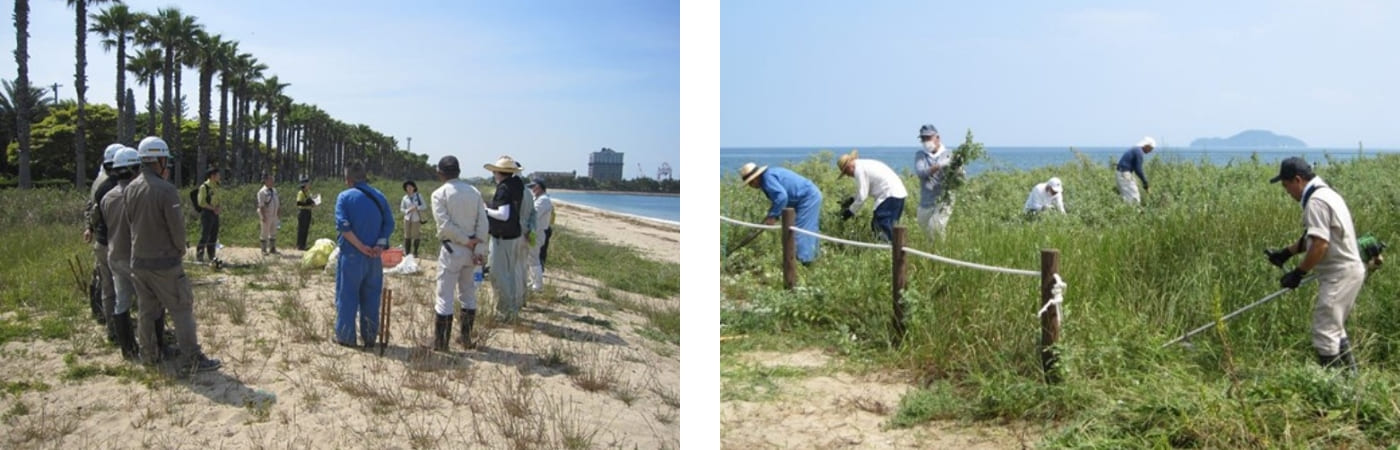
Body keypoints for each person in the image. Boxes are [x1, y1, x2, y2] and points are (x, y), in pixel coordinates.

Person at [125, 136, 221, 374]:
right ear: (158, 160)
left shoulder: (130, 188)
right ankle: (193, 358)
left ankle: (148, 355)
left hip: (138, 261)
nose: (166, 165)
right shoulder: (166, 190)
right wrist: (180, 249)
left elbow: (131, 222)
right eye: (165, 160)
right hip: (165, 262)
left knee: (147, 311)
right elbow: (176, 229)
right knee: (182, 308)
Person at [1264, 157, 1365, 373]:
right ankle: (1352, 381)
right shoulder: (1326, 193)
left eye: (1286, 185)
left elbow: (1320, 244)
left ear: (1298, 180)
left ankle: (1334, 391)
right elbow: (1312, 237)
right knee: (1335, 329)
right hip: (1346, 271)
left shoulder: (1316, 202)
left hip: (1340, 274)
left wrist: (1298, 273)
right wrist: (1285, 253)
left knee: (1324, 332)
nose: (1287, 192)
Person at [429, 156, 489, 351]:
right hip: (473, 251)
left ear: (440, 173)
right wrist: (477, 247)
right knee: (468, 294)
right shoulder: (474, 192)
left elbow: (445, 226)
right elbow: (483, 223)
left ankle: (441, 343)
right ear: (459, 171)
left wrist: (465, 240)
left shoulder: (439, 194)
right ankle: (465, 339)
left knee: (444, 296)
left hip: (452, 249)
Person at [333, 160, 395, 348]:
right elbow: (389, 223)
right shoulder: (379, 196)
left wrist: (360, 246)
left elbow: (343, 226)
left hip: (352, 255)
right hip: (374, 257)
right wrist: (378, 245)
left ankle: (346, 337)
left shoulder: (344, 197)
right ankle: (369, 337)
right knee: (372, 297)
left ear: (347, 179)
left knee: (347, 297)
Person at [737, 162, 823, 264]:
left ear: (755, 179)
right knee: (809, 229)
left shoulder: (767, 178)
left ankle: (804, 262)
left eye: (750, 183)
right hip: (806, 197)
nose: (751, 186)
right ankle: (811, 259)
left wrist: (773, 216)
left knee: (800, 231)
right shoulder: (768, 177)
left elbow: (782, 197)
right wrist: (772, 215)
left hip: (807, 198)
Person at [102, 147, 142, 360]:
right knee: (148, 302)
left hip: (114, 255)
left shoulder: (108, 197)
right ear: (135, 169)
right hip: (133, 257)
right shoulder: (136, 194)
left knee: (122, 301)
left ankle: (127, 349)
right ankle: (152, 345)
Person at [84, 143, 123, 333]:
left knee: (105, 283)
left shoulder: (99, 182)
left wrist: (90, 227)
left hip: (101, 240)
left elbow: (91, 209)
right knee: (116, 287)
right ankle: (118, 326)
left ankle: (109, 325)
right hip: (113, 242)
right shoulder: (114, 186)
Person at [484, 155, 527, 320]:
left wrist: (486, 210)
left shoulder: (504, 189)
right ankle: (513, 308)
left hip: (502, 238)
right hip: (513, 235)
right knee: (509, 273)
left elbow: (503, 214)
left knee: (498, 273)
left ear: (499, 172)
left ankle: (505, 311)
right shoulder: (517, 185)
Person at [836, 150, 908, 242]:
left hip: (889, 195)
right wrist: (852, 199)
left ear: (849, 166)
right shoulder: (863, 165)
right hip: (897, 194)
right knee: (890, 227)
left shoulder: (859, 170)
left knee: (880, 226)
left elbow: (862, 196)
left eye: (846, 172)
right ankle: (894, 252)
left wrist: (850, 212)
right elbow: (864, 190)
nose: (848, 175)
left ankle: (885, 250)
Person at [914, 124, 954, 238]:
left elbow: (958, 177)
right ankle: (929, 254)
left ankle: (940, 253)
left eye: (928, 138)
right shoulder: (920, 155)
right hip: (926, 200)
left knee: (935, 228)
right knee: (925, 231)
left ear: (937, 138)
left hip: (944, 200)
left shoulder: (949, 155)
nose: (926, 141)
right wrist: (939, 166)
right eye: (923, 139)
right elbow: (921, 173)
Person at [527, 179, 555, 292]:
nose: (532, 190)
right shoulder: (538, 198)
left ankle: (538, 285)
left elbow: (534, 215)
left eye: (533, 187)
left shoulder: (543, 200)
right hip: (535, 232)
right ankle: (533, 281)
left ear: (539, 187)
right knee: (530, 258)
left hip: (537, 233)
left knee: (534, 258)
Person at [1115, 137, 1156, 205]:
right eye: (1151, 149)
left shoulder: (1135, 149)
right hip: (1124, 174)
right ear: (1146, 145)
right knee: (1134, 198)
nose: (1150, 151)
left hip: (1121, 173)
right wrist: (1145, 182)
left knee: (1127, 198)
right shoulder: (1138, 152)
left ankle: (1127, 214)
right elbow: (1138, 169)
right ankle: (1135, 214)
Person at [196, 168, 223, 263]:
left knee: (214, 235)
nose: (219, 177)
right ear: (212, 176)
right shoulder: (204, 187)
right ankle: (199, 255)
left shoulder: (217, 186)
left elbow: (218, 199)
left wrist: (218, 207)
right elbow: (201, 202)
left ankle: (212, 255)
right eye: (218, 175)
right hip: (207, 212)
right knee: (205, 234)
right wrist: (212, 208)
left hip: (215, 213)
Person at [257, 173, 281, 255]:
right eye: (271, 180)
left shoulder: (274, 190)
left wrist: (278, 212)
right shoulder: (262, 192)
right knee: (264, 232)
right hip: (266, 214)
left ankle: (272, 248)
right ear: (266, 181)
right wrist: (263, 216)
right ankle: (263, 250)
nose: (272, 182)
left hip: (274, 214)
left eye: (273, 180)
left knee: (273, 232)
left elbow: (277, 202)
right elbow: (261, 205)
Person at [400, 180, 426, 257]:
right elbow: (401, 208)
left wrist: (416, 208)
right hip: (407, 218)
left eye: (411, 187)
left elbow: (424, 206)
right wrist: (408, 210)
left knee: (416, 235)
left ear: (414, 187)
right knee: (407, 235)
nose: (409, 188)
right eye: (407, 187)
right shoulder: (404, 198)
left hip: (416, 218)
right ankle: (407, 253)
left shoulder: (418, 196)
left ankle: (415, 252)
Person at [295, 177, 316, 250]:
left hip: (308, 212)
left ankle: (303, 244)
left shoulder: (308, 192)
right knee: (301, 229)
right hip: (303, 212)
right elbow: (299, 203)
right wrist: (307, 203)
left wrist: (313, 202)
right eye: (308, 183)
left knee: (306, 229)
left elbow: (310, 200)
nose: (309, 185)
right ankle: (299, 245)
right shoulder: (300, 193)